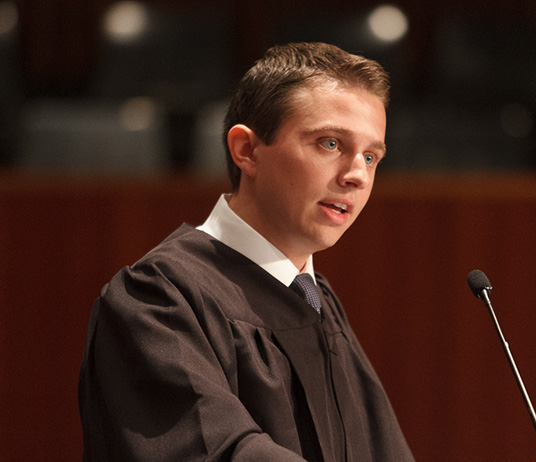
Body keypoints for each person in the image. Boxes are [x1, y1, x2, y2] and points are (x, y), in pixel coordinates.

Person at [78, 42, 414, 461]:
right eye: (330, 144)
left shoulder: (316, 299)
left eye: (370, 156)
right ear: (247, 150)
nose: (356, 175)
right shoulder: (159, 298)